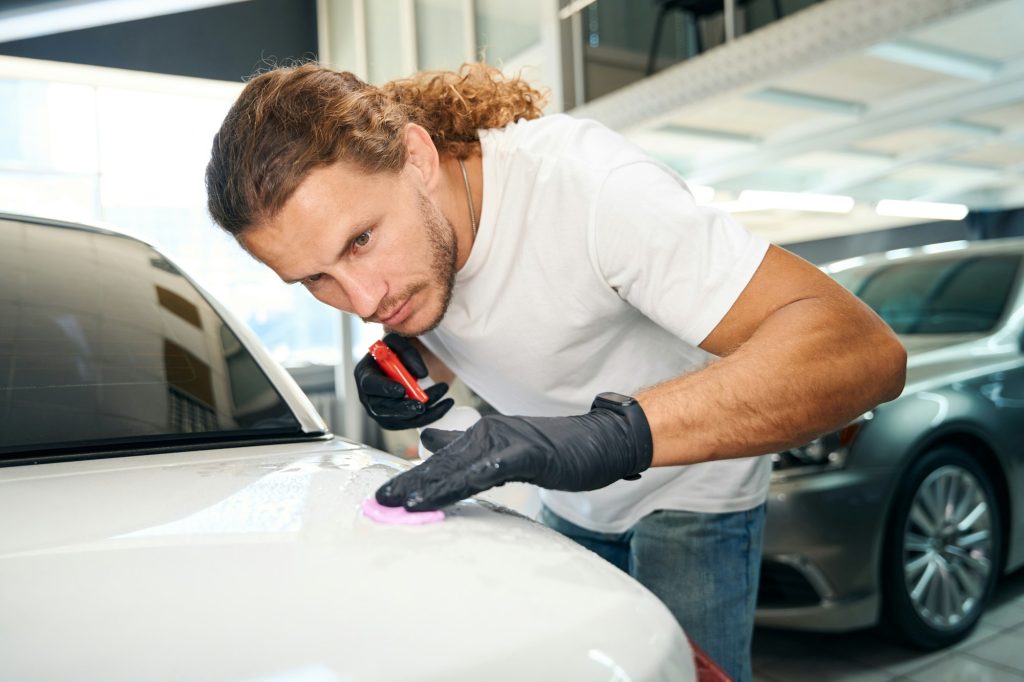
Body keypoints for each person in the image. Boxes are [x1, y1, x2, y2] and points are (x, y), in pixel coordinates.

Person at [205, 62, 906, 681]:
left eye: (360, 241)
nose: (362, 302)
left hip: (693, 493)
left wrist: (608, 436)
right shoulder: (411, 254)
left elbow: (862, 352)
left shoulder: (589, 189)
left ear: (417, 156)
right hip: (567, 498)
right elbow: (503, 312)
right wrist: (413, 358)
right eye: (316, 280)